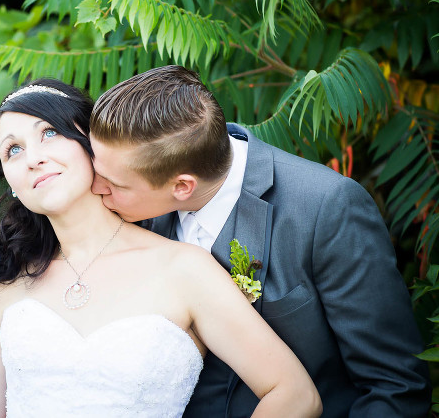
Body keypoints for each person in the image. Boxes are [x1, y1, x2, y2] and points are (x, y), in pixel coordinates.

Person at [0, 78, 321, 418]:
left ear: (90, 141)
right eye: (13, 150)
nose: (33, 158)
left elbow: (294, 394)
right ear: (11, 182)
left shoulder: (185, 269)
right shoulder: (3, 288)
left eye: (48, 133)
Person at [88, 65, 431, 418]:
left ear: (182, 187)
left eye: (114, 184)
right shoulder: (129, 204)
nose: (96, 189)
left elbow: (395, 386)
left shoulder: (326, 209)